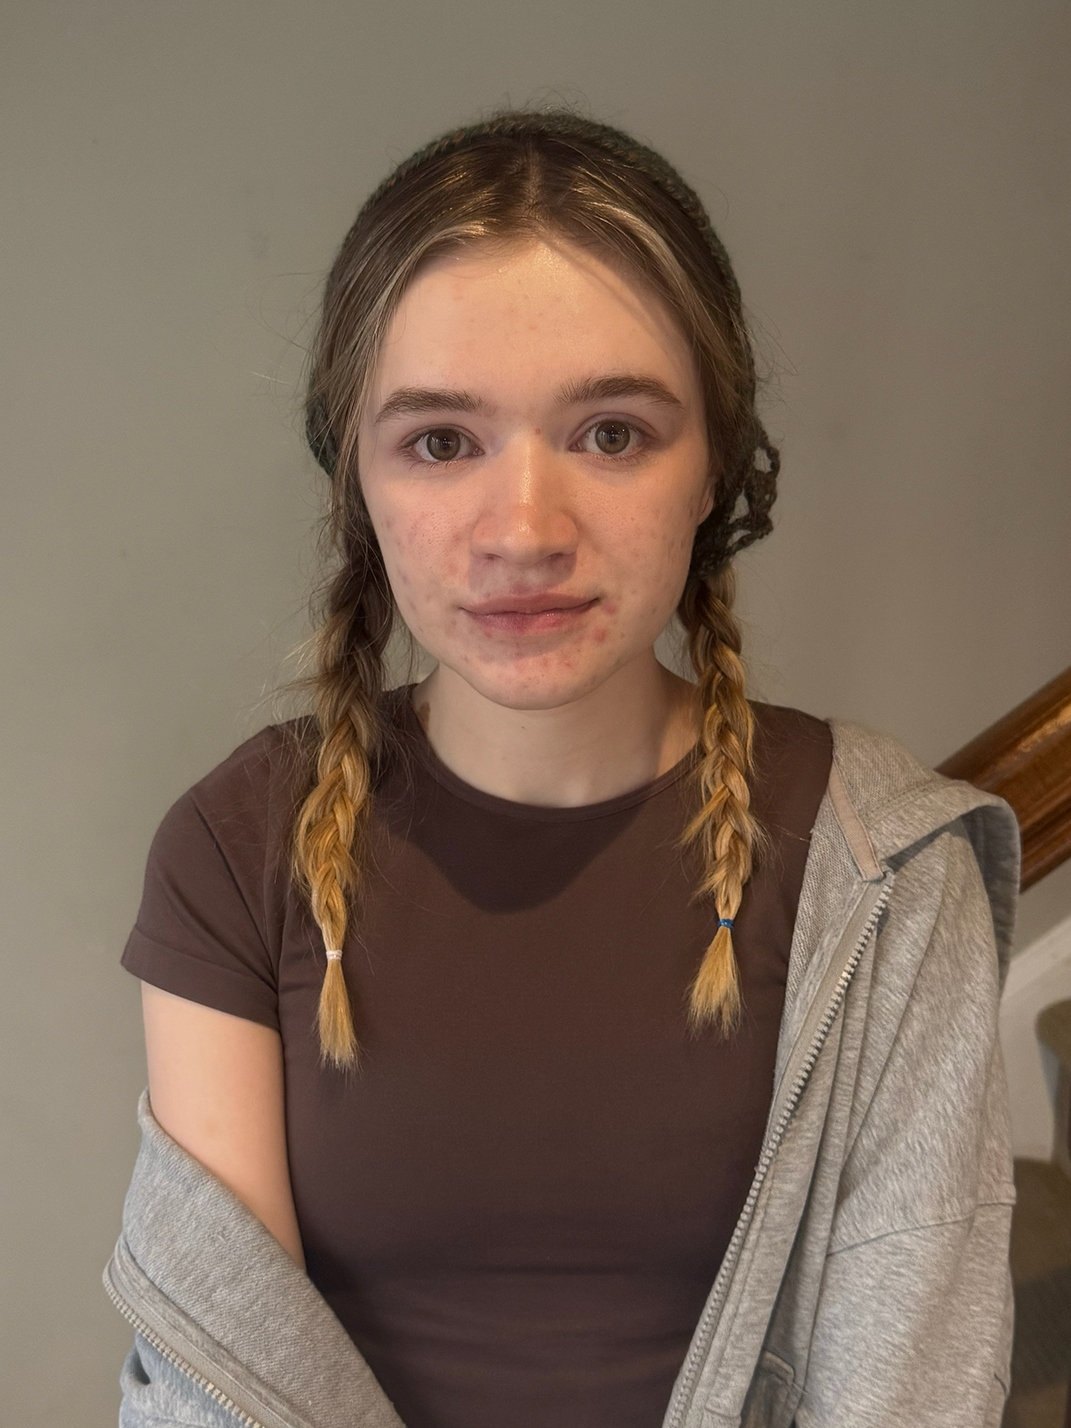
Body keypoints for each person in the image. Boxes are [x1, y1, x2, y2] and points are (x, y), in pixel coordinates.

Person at [105, 111, 1021, 1428]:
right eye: (440, 442)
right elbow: (218, 1377)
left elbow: (910, 1389)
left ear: (714, 467)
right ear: (358, 481)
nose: (525, 530)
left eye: (612, 434)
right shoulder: (237, 847)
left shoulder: (888, 871)